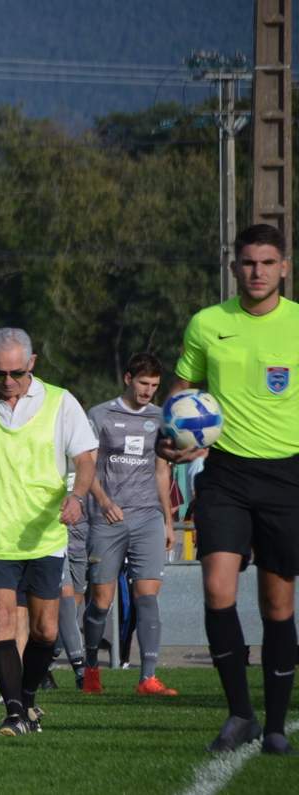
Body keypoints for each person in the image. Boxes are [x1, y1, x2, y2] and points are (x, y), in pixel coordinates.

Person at [158, 224, 298, 755]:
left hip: (288, 474)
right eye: (247, 263)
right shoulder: (207, 324)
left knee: (277, 603)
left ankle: (277, 725)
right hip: (227, 474)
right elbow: (181, 394)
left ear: (283, 266)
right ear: (234, 267)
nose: (257, 271)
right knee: (218, 588)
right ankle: (240, 713)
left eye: (267, 262)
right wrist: (171, 438)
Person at [0, 327, 97, 736]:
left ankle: (28, 700)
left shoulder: (61, 403)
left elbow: (85, 459)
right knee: (1, 622)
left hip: (45, 536)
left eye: (16, 372)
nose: (8, 382)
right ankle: (13, 713)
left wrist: (78, 497)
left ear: (31, 364)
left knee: (46, 630)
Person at [80, 353, 177, 697]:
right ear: (127, 379)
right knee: (102, 601)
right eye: (143, 383)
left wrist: (168, 521)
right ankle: (91, 667)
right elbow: (86, 467)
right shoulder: (100, 415)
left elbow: (162, 471)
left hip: (147, 517)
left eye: (154, 386)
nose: (148, 391)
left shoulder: (160, 417)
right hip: (107, 519)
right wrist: (105, 502)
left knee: (147, 596)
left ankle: (147, 678)